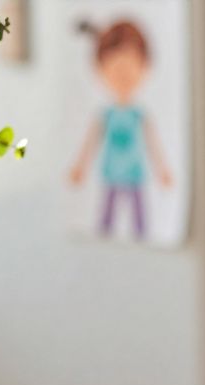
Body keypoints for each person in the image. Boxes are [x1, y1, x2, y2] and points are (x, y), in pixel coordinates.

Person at [68, 19, 173, 239]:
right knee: (107, 216)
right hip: (112, 173)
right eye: (116, 68)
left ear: (145, 66)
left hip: (135, 174)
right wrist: (80, 166)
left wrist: (163, 170)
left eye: (130, 66)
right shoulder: (105, 116)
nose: (123, 74)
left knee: (139, 218)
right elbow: (91, 142)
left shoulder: (139, 116)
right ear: (101, 69)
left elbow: (152, 144)